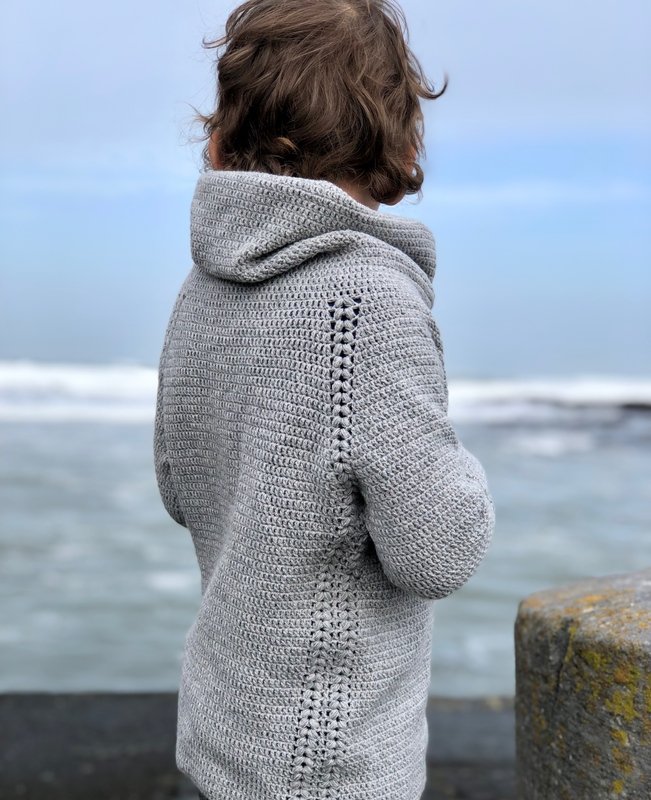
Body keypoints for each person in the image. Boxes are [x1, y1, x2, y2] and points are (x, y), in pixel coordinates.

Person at [153, 1, 496, 798]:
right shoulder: (365, 303)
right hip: (330, 762)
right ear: (399, 141)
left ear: (224, 133)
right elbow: (436, 552)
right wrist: (467, 477)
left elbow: (177, 485)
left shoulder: (203, 288)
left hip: (223, 732)